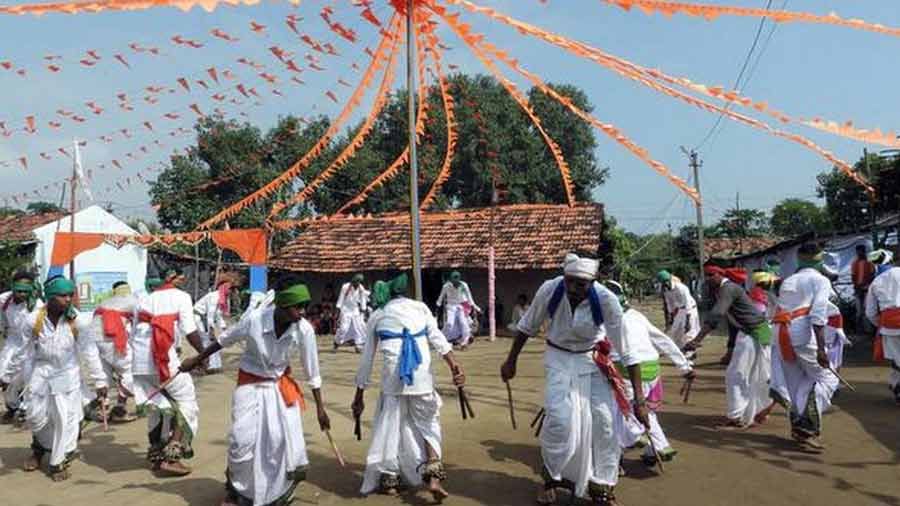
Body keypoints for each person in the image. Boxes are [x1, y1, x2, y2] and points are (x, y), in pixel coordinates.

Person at [181, 277, 331, 506]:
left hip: (278, 388)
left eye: (304, 307)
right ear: (281, 306)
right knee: (240, 441)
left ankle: (275, 493)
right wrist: (197, 359)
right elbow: (223, 340)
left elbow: (313, 371)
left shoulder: (304, 330)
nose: (301, 313)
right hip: (249, 386)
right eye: (297, 307)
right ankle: (234, 489)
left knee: (278, 442)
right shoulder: (254, 320)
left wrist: (321, 408)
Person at [501, 253, 630, 506]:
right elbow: (527, 326)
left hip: (592, 361)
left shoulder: (606, 300)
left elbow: (627, 351)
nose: (572, 288)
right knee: (560, 422)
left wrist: (639, 400)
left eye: (580, 284)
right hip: (558, 360)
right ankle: (550, 478)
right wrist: (511, 360)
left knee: (604, 424)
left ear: (593, 281)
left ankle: (602, 488)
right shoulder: (550, 289)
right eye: (569, 281)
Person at [353, 274, 465, 500]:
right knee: (429, 424)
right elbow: (439, 340)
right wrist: (455, 367)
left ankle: (390, 479)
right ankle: (434, 477)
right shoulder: (421, 308)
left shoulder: (377, 315)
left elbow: (366, 360)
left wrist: (359, 395)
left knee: (391, 427)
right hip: (421, 378)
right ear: (406, 291)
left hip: (392, 382)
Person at [0, 276, 106, 481]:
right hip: (40, 373)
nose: (67, 299)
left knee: (63, 418)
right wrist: (6, 376)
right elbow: (21, 351)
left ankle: (57, 462)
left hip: (67, 374)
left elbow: (89, 351)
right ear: (50, 297)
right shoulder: (33, 320)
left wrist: (100, 380)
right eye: (62, 295)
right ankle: (47, 446)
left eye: (70, 295)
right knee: (35, 417)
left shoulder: (78, 321)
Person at [606, 281, 695, 467]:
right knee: (645, 410)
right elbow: (663, 340)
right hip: (652, 369)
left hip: (628, 371)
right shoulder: (636, 315)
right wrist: (684, 366)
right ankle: (660, 447)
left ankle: (632, 438)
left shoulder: (607, 320)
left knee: (621, 411)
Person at [131, 268, 204, 476]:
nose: (184, 278)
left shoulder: (144, 299)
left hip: (139, 362)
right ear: (172, 278)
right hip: (161, 359)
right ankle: (172, 456)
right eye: (181, 276)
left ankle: (156, 454)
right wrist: (203, 354)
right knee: (186, 401)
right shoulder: (182, 297)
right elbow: (190, 330)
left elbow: (135, 332)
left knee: (158, 407)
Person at [769, 244, 839, 451]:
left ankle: (798, 426)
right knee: (828, 378)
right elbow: (818, 313)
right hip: (803, 334)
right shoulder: (820, 280)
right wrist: (821, 349)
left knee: (797, 383)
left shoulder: (788, 280)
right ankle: (806, 425)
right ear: (818, 260)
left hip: (781, 333)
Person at [684, 265, 772, 429]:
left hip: (753, 334)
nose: (708, 279)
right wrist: (730, 348)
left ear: (720, 274)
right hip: (753, 333)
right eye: (706, 275)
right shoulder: (726, 290)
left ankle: (737, 417)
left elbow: (717, 315)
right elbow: (731, 322)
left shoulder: (728, 289)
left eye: (711, 275)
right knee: (752, 375)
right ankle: (754, 412)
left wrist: (697, 340)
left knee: (736, 375)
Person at [88, 281, 138, 423]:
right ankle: (120, 408)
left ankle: (103, 408)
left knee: (104, 375)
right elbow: (137, 325)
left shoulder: (104, 302)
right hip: (113, 340)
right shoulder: (133, 301)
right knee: (131, 371)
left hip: (95, 340)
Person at [0, 270, 43, 424]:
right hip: (12, 340)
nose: (22, 294)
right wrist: (3, 327)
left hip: (31, 345)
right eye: (18, 291)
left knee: (28, 377)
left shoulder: (37, 306)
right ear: (13, 288)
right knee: (5, 375)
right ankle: (12, 406)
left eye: (26, 291)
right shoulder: (4, 299)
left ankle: (25, 408)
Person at [865, 248, 900, 404]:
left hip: (889, 326)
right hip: (889, 324)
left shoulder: (876, 282)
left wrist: (881, 325)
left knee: (897, 359)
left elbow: (870, 313)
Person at [194, 275, 239, 374]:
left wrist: (223, 328)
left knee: (213, 341)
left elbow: (218, 315)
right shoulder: (214, 297)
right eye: (231, 289)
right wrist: (211, 330)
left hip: (206, 318)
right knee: (207, 341)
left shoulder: (223, 299)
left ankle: (213, 365)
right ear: (225, 287)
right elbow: (210, 315)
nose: (232, 291)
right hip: (200, 317)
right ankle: (205, 365)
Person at [658, 271, 700, 360]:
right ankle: (681, 350)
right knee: (675, 331)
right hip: (680, 310)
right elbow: (670, 305)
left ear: (670, 279)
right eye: (663, 282)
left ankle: (690, 353)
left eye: (666, 281)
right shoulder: (666, 291)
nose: (665, 283)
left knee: (689, 332)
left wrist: (688, 321)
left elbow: (688, 303)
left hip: (690, 309)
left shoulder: (681, 287)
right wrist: (671, 319)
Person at [436, 271, 481, 349]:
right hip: (451, 306)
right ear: (451, 280)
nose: (456, 283)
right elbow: (441, 297)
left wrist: (477, 308)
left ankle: (464, 342)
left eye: (457, 280)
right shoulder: (446, 286)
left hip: (461, 306)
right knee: (449, 323)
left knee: (464, 323)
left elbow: (470, 298)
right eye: (454, 280)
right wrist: (437, 307)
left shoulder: (464, 285)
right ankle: (442, 339)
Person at [334, 273, 370, 353]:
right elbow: (341, 299)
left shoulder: (361, 288)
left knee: (359, 327)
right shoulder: (345, 287)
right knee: (344, 328)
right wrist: (337, 311)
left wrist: (363, 312)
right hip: (346, 309)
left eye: (359, 282)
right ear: (353, 281)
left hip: (355, 309)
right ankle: (337, 341)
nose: (357, 283)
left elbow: (363, 300)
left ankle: (358, 345)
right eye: (355, 282)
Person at [852, 244, 876, 333]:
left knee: (867, 309)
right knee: (858, 311)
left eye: (861, 251)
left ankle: (869, 330)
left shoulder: (869, 262)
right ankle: (859, 330)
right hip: (858, 289)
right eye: (858, 251)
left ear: (864, 251)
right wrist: (857, 287)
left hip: (867, 289)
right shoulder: (855, 263)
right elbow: (853, 276)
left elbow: (872, 274)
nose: (859, 253)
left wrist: (867, 286)